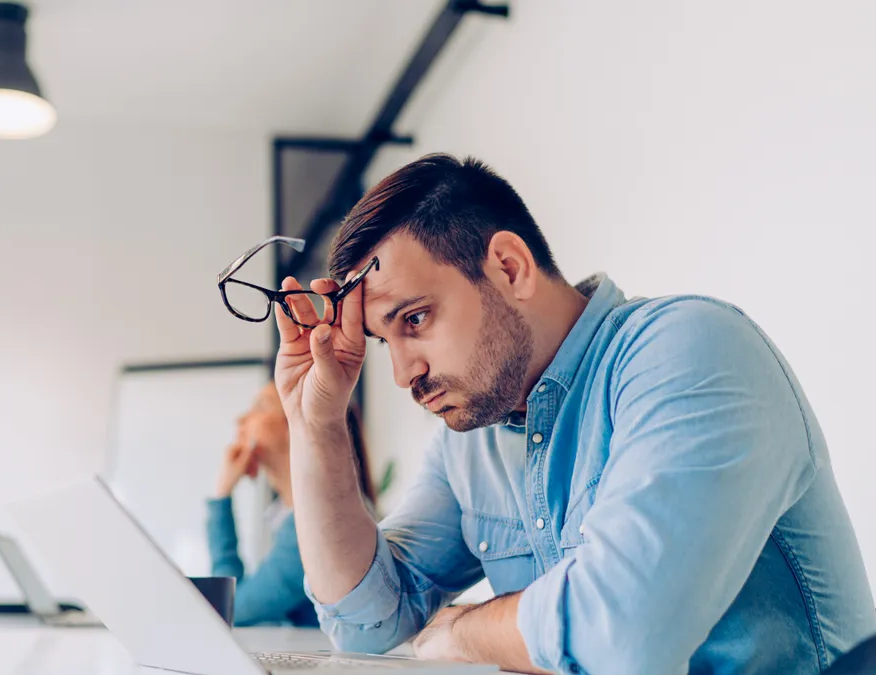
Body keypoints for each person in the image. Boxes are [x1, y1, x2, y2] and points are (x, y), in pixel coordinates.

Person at [266, 154, 876, 674]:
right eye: (384, 342)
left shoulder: (689, 348)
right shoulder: (471, 443)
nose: (403, 373)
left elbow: (623, 634)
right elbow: (367, 620)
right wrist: (315, 426)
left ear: (510, 267)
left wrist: (461, 631)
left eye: (416, 319)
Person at [205, 381, 376, 627]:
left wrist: (222, 496)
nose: (241, 419)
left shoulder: (320, 523)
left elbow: (231, 609)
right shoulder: (289, 517)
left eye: (261, 407)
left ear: (298, 426)